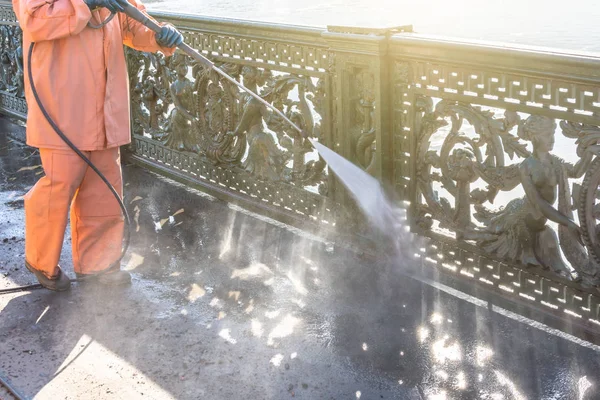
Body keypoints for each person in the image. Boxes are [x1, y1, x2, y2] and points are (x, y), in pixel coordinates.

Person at [12, 0, 183, 290]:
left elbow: (130, 21)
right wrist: (85, 3)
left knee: (104, 187)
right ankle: (41, 261)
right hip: (61, 102)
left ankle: (98, 266)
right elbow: (35, 20)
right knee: (61, 181)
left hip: (105, 105)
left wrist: (159, 33)